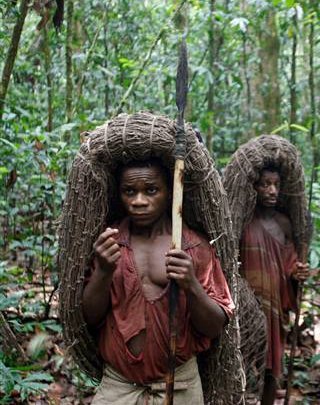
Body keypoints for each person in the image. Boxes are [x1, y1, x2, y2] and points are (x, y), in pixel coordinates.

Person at [82, 158, 234, 404]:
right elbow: (89, 318)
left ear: (170, 193)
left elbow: (215, 327)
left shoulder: (193, 246)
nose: (138, 201)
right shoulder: (109, 242)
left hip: (179, 384)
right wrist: (103, 271)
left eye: (151, 190)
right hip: (118, 384)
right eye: (129, 191)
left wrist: (191, 285)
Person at [239, 164, 310, 405]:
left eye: (276, 185)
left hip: (275, 308)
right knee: (243, 362)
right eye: (265, 184)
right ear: (253, 187)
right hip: (246, 308)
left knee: (273, 368)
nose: (272, 191)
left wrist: (296, 273)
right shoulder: (243, 222)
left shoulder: (284, 224)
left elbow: (289, 264)